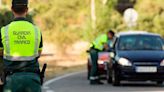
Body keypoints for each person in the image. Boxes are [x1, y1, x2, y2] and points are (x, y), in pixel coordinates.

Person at [0, 0, 43, 92]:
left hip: (11, 80)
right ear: (27, 10)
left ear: (12, 9)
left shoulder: (4, 30)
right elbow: (38, 53)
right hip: (33, 79)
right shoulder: (36, 31)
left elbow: (0, 52)